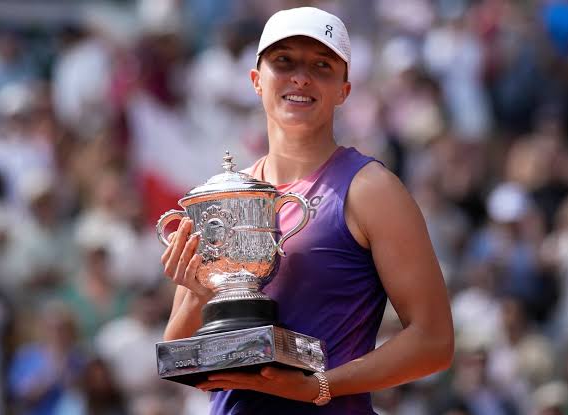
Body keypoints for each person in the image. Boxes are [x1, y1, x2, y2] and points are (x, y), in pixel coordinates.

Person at [159, 6, 454, 414]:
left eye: (321, 66)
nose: (301, 78)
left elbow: (434, 342)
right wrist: (200, 294)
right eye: (284, 61)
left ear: (343, 90)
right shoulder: (223, 199)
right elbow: (181, 356)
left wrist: (319, 387)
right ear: (256, 80)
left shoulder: (372, 189)